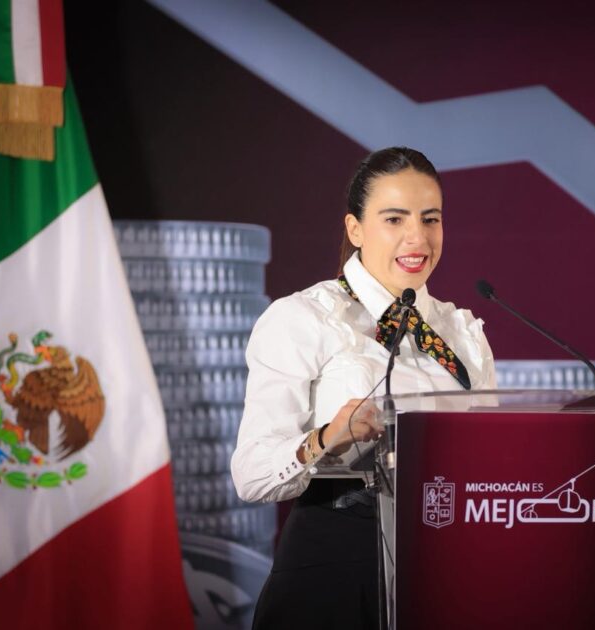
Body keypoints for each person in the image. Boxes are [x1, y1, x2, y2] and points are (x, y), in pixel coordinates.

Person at [231, 147, 497, 629]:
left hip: (445, 562)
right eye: (394, 219)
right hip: (334, 566)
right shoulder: (304, 318)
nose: (418, 237)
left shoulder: (462, 331)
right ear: (355, 229)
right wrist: (326, 437)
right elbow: (251, 476)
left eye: (430, 219)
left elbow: (488, 464)